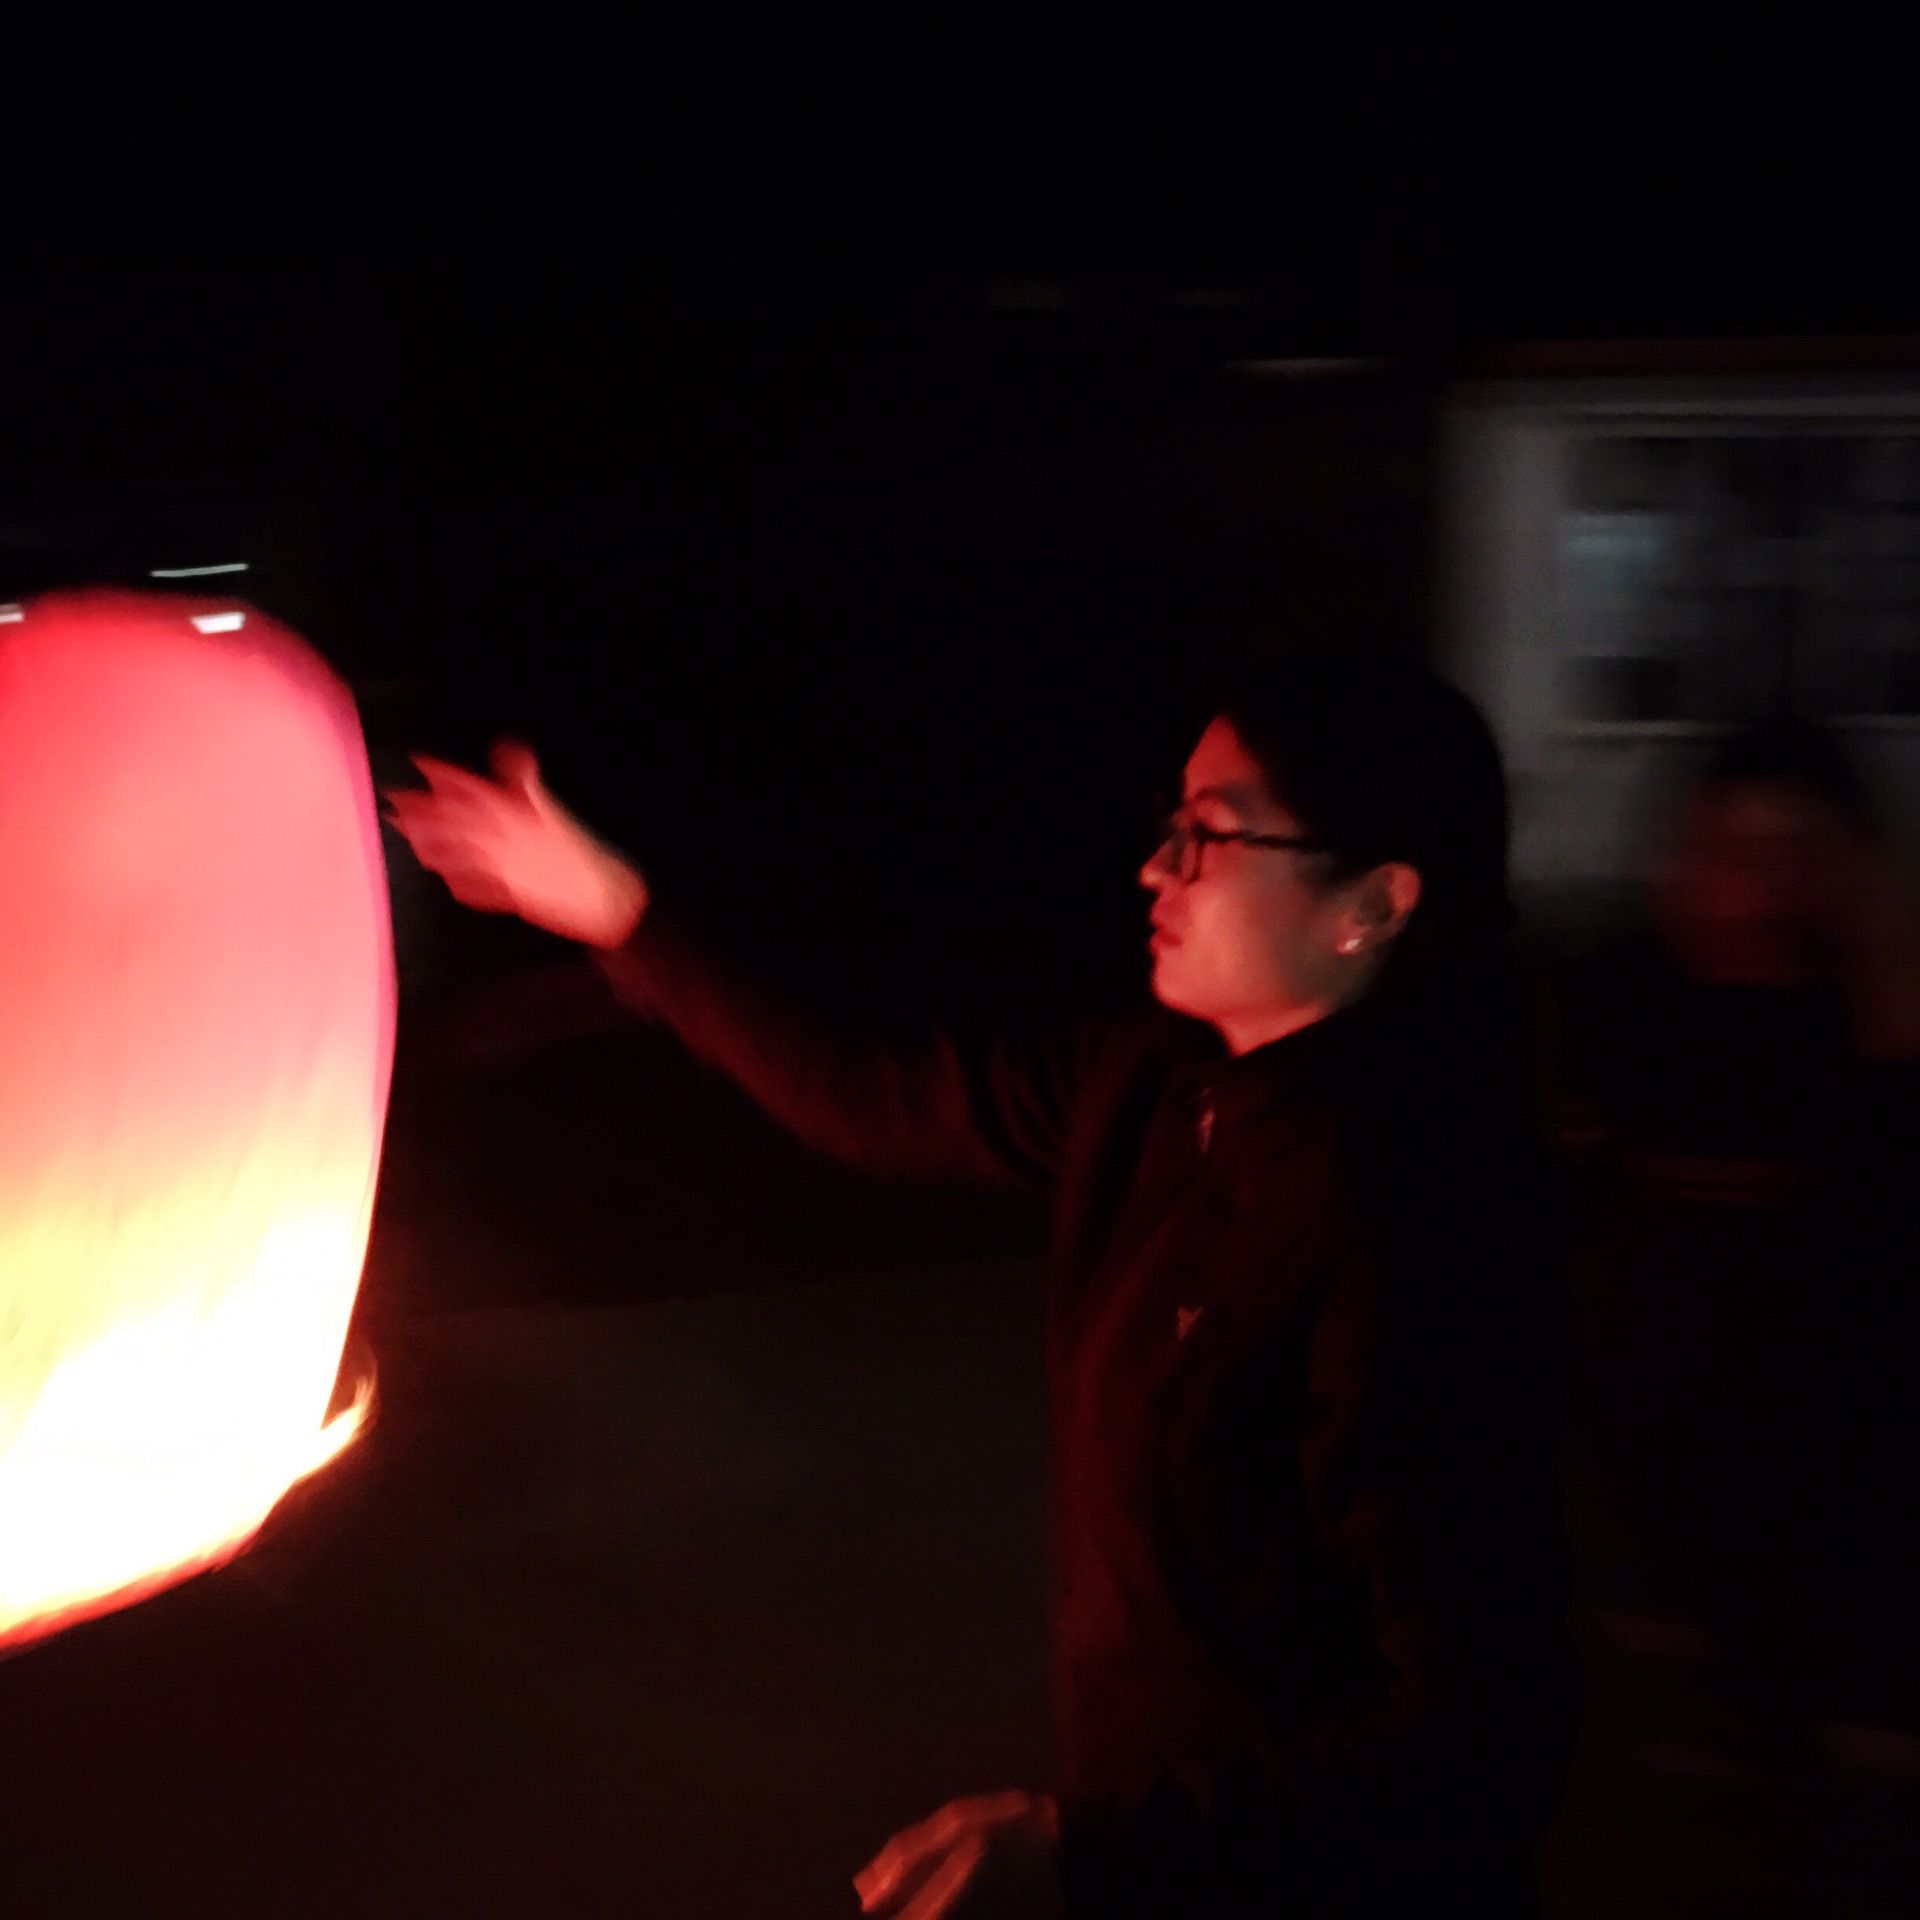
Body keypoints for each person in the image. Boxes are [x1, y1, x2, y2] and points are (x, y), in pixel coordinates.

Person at [384, 655, 1576, 1919]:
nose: (1155, 867)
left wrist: (1093, 1846)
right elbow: (868, 1096)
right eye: (1170, 826)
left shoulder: (1415, 1226)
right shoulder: (1159, 1094)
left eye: (1209, 837)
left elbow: (1473, 1746)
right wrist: (621, 914)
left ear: (1374, 904)